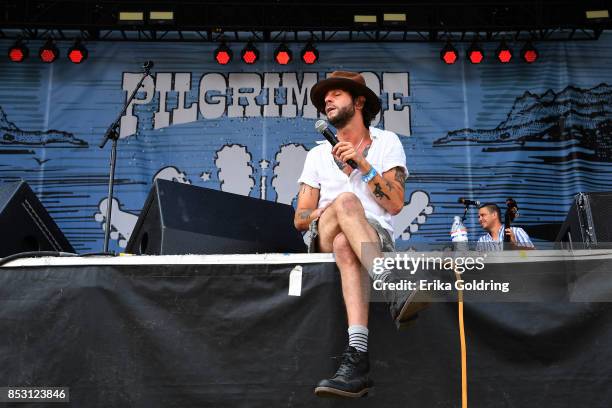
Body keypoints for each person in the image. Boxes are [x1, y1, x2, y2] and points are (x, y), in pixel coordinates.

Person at [294, 71, 426, 398]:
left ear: (359, 101)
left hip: (372, 235)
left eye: (336, 94)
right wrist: (326, 211)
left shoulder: (387, 143)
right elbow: (300, 217)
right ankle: (392, 285)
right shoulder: (316, 155)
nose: (327, 100)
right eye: (325, 97)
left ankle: (357, 360)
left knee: (346, 244)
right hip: (323, 232)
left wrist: (364, 165)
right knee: (343, 207)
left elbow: (395, 205)